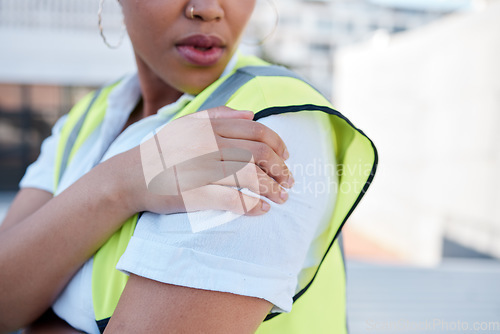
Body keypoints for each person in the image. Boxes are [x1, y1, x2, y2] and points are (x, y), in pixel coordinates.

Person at [0, 1, 377, 333]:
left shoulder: (267, 123)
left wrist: (37, 316)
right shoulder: (89, 116)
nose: (208, 8)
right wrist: (122, 181)